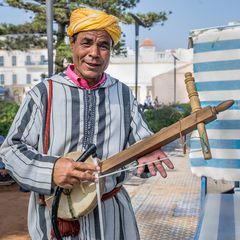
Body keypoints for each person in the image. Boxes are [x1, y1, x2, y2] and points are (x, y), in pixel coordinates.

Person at [0, 7, 174, 240]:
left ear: (110, 51)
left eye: (104, 45)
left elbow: (140, 145)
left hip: (112, 218)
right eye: (86, 42)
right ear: (72, 44)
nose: (94, 53)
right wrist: (51, 170)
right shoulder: (44, 93)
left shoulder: (122, 94)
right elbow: (11, 149)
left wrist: (145, 157)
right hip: (55, 220)